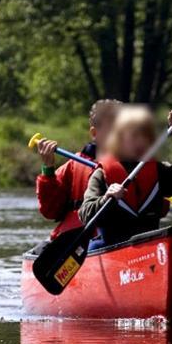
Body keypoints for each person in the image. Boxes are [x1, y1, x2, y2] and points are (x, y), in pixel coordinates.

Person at [79, 106, 172, 251]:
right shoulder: (101, 174)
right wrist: (106, 198)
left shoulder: (158, 170)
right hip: (115, 248)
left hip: (152, 246)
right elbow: (85, 215)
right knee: (91, 248)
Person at [35, 99, 121, 239]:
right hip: (82, 240)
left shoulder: (139, 164)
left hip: (124, 237)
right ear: (95, 133)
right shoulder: (74, 166)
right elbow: (50, 211)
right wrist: (48, 168)